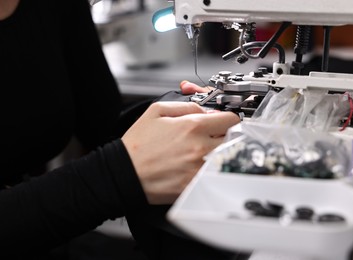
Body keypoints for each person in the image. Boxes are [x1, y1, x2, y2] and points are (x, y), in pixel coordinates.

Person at [0, 0, 240, 258]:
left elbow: (103, 122)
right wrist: (119, 174)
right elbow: (116, 166)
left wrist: (185, 112)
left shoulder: (54, 6)